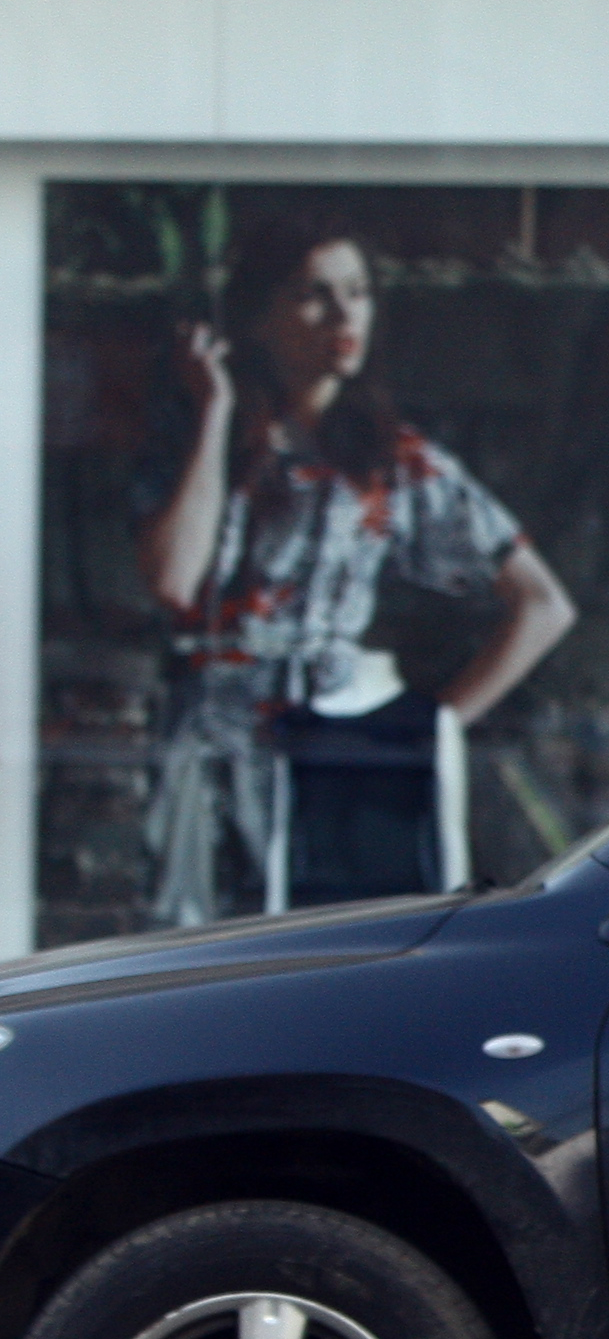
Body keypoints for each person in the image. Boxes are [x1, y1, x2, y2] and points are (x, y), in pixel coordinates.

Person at [136, 213, 577, 926]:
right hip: (203, 755)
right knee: (191, 963)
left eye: (359, 292)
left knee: (314, 954)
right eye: (314, 293)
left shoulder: (392, 461)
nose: (343, 315)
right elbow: (174, 581)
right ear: (259, 315)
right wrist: (215, 414)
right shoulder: (205, 442)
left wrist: (431, 725)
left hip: (333, 759)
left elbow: (543, 605)